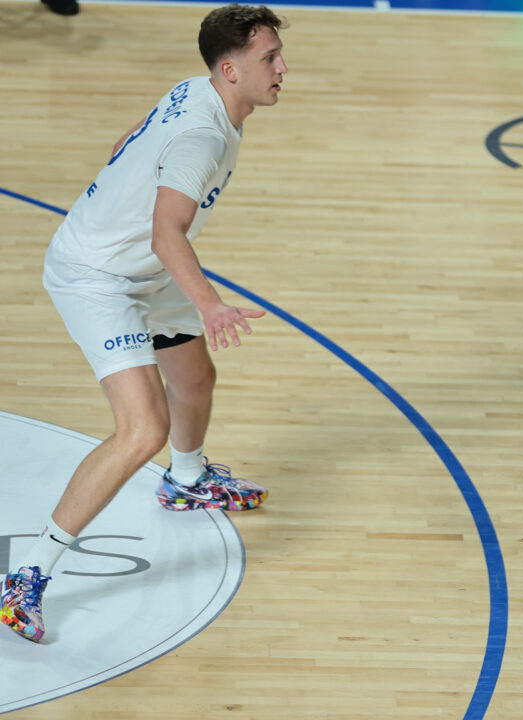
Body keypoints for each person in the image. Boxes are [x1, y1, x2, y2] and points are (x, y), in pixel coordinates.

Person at [1, 4, 288, 644]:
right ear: (230, 68)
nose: (281, 67)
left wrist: (114, 201)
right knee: (143, 428)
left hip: (139, 269)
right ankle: (25, 576)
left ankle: (186, 482)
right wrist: (210, 305)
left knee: (194, 379)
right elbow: (167, 233)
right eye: (268, 58)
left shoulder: (196, 91)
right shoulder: (202, 136)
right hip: (98, 278)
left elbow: (123, 144)